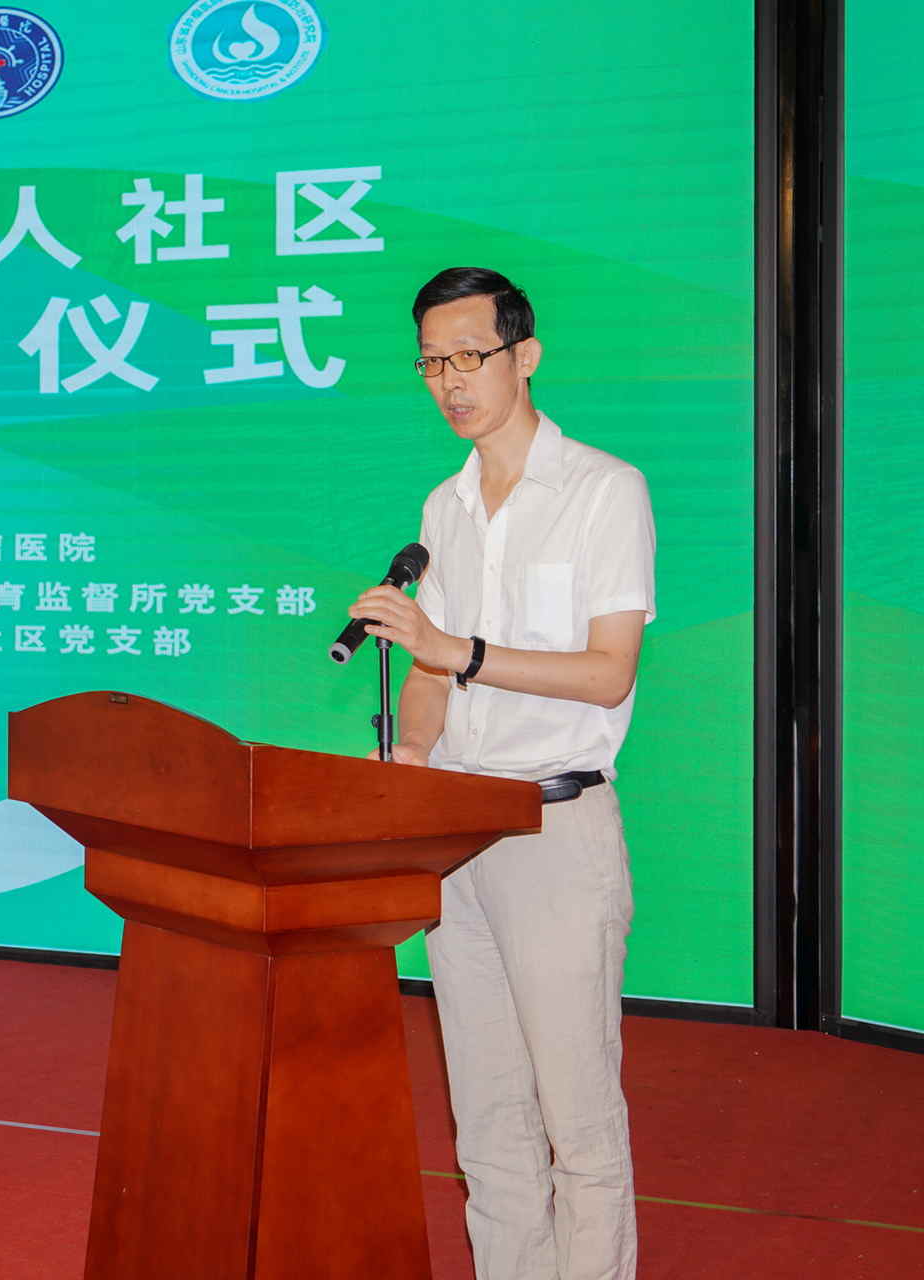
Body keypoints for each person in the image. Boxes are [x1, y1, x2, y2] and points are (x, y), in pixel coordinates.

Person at [348, 268, 655, 1280]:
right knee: (486, 1118)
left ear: (525, 357)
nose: (451, 381)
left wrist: (460, 651)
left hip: (553, 827)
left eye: (470, 356)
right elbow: (429, 679)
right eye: (432, 362)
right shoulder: (442, 507)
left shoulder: (604, 490)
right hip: (456, 833)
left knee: (578, 1121)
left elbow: (608, 674)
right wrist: (408, 759)